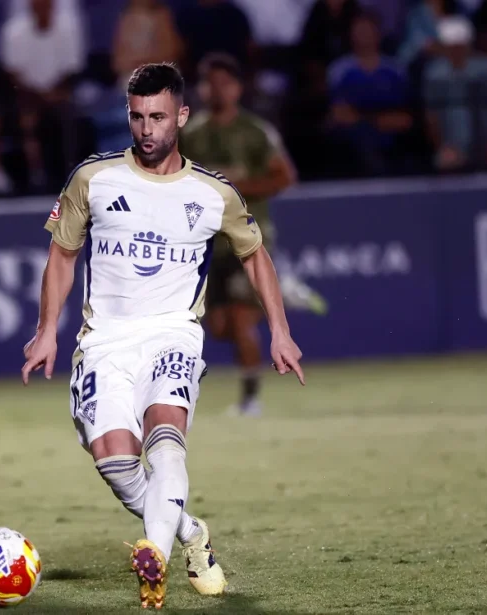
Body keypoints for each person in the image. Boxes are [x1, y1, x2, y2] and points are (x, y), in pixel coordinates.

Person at [22, 62, 305, 609]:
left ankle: (154, 556)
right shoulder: (93, 178)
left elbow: (255, 256)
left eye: (157, 116)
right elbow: (62, 255)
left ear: (181, 116)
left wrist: (280, 331)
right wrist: (45, 331)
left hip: (174, 335)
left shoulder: (212, 193)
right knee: (116, 464)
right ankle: (190, 532)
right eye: (137, 117)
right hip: (104, 341)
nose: (147, 129)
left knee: (167, 438)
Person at [179, 53, 316, 418]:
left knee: (240, 320)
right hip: (209, 243)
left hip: (249, 240)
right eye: (210, 83)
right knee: (219, 326)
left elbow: (284, 176)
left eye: (224, 83)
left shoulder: (255, 132)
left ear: (237, 88)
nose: (216, 90)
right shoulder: (191, 135)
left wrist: (237, 188)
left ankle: (251, 400)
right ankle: (282, 293)